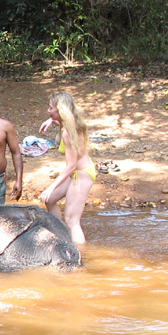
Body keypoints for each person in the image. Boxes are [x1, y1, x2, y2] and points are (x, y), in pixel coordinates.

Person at [38, 91, 95, 244]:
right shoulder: (69, 123)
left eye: (51, 108)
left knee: (72, 220)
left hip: (81, 174)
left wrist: (51, 187)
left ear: (60, 110)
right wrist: (51, 121)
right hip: (75, 173)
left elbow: (71, 166)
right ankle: (61, 238)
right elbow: (62, 125)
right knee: (50, 201)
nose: (48, 111)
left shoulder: (68, 132)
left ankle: (81, 258)